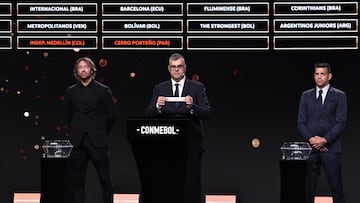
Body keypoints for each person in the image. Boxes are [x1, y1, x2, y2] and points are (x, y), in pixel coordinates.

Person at [145, 53, 211, 203]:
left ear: (185, 68)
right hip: (167, 142)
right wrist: (157, 106)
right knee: (168, 182)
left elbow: (207, 113)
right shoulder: (160, 88)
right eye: (173, 67)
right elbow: (148, 113)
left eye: (179, 66)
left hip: (192, 142)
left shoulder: (197, 87)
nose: (176, 70)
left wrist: (192, 107)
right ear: (169, 68)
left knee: (192, 183)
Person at [64, 57, 117, 203]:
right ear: (76, 71)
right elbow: (68, 115)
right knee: (77, 181)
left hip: (97, 141)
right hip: (78, 142)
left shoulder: (103, 90)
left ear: (92, 70)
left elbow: (112, 116)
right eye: (80, 67)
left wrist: (100, 130)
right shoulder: (71, 91)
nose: (83, 69)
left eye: (86, 67)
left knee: (105, 180)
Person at [297, 62, 347, 203]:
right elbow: (301, 122)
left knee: (336, 188)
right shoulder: (305, 96)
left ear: (329, 76)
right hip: (311, 150)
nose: (319, 77)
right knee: (308, 189)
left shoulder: (339, 95)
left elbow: (341, 122)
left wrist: (325, 140)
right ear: (314, 76)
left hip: (331, 148)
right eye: (317, 74)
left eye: (322, 74)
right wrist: (313, 140)